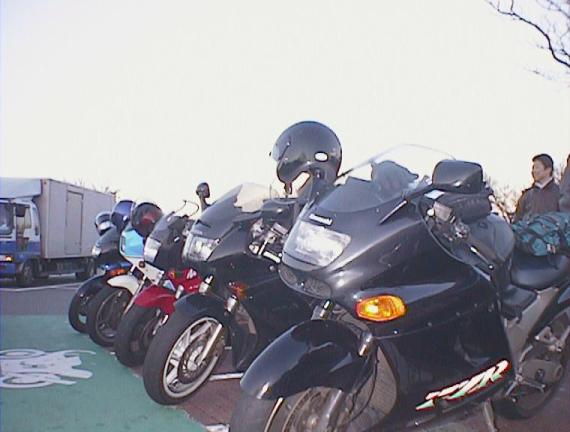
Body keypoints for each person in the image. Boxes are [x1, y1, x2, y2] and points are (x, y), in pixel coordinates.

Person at [513, 153, 560, 222]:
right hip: (528, 229)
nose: (533, 171)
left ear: (548, 170)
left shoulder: (559, 193)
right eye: (533, 168)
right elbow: (517, 220)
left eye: (537, 167)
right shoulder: (527, 195)